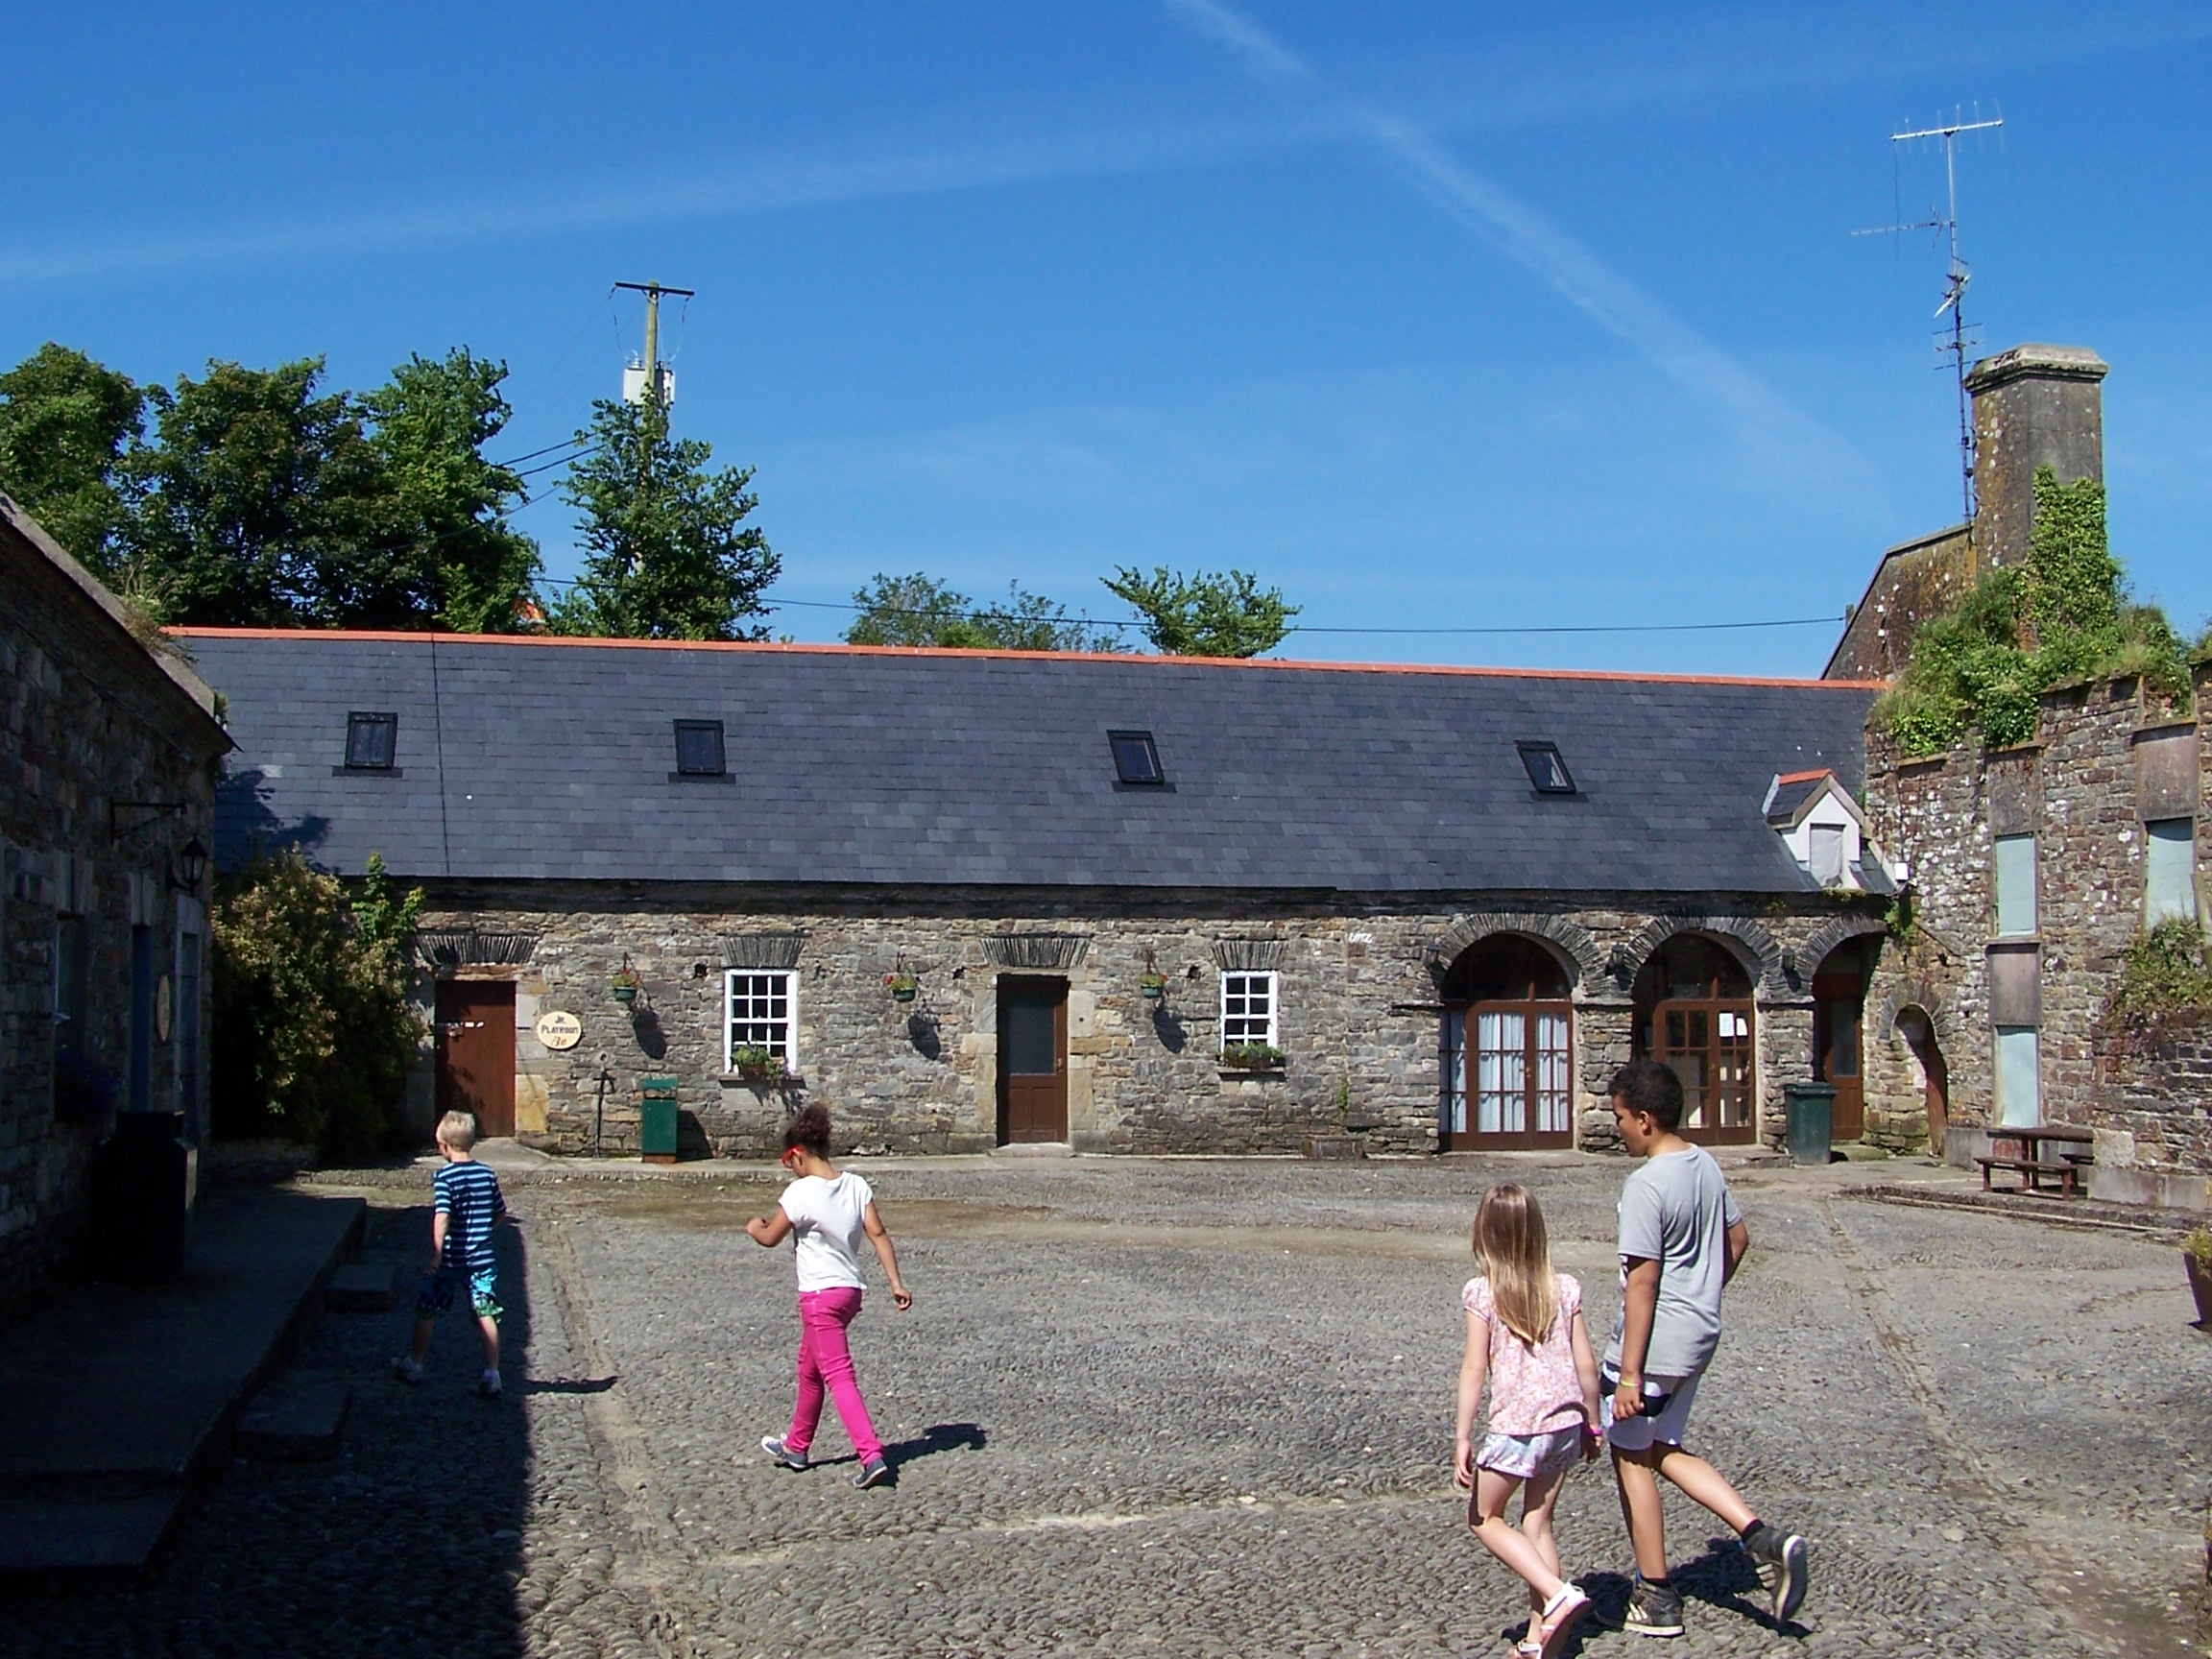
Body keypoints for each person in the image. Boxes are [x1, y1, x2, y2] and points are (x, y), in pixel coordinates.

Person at [1600, 1059, 1808, 1638]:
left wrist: (1629, 1376)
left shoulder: (1646, 1184)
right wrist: (1703, 1295)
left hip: (1656, 1344)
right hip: (1699, 1333)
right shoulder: (1705, 1164)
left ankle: (1657, 1594)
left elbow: (1642, 1282)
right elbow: (1738, 1239)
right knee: (1662, 1444)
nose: (1615, 1128)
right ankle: (1763, 1541)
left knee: (1631, 1454)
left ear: (1644, 1119)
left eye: (1619, 1117)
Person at [1455, 1183, 1601, 1659]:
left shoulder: (1484, 1292)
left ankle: (1557, 1593)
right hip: (1564, 1424)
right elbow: (1586, 1365)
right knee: (1537, 1523)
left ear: (1485, 1235)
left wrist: (1462, 1436)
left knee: (1484, 1517)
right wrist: (1592, 1424)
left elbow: (1474, 1369)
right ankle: (1542, 1643)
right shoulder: (1564, 1288)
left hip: (1517, 1428)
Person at [746, 1105, 913, 1489]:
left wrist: (754, 1228)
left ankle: (871, 1455)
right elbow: (878, 1233)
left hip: (819, 1296)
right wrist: (895, 1282)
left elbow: (771, 1237)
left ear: (799, 1154)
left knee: (838, 1374)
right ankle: (797, 1446)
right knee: (809, 1368)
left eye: (790, 1163)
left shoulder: (800, 1192)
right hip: (849, 1292)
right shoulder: (856, 1185)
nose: (791, 1170)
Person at [393, 1110, 511, 1398]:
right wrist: (482, 1232)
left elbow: (442, 1216)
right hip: (481, 1257)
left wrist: (437, 1252)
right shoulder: (486, 1173)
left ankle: (415, 1363)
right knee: (485, 1311)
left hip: (450, 1259)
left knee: (427, 1306)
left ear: (444, 1145)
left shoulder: (445, 1177)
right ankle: (492, 1373)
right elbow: (500, 1212)